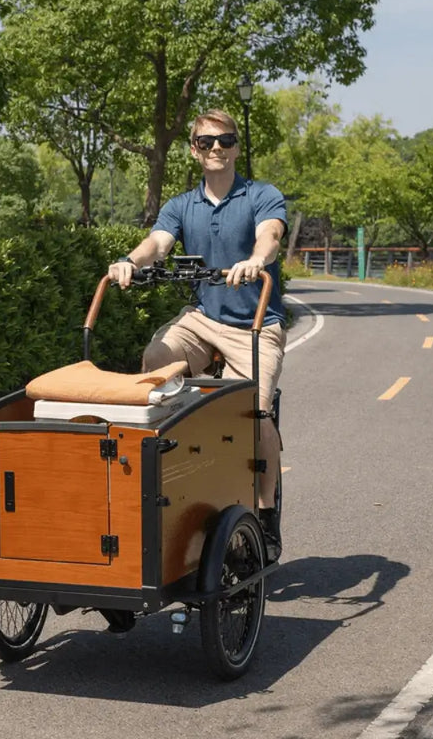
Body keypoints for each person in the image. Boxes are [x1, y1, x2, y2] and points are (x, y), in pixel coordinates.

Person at [107, 108, 287, 561]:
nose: (216, 150)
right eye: (207, 143)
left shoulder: (260, 195)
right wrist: (131, 260)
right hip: (203, 318)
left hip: (255, 324)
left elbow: (271, 236)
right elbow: (158, 245)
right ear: (194, 149)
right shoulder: (181, 205)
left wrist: (256, 260)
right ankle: (171, 477)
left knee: (254, 411)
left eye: (225, 141)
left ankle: (265, 515)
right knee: (155, 360)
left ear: (236, 147)